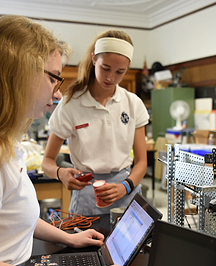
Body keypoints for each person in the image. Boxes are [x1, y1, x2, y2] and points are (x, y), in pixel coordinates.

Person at [0, 15, 131, 266]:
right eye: (53, 78)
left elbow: (12, 218)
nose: (57, 91)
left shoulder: (8, 145)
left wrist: (68, 237)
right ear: (19, 73)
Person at [42, 29, 149, 215]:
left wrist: (125, 186)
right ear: (93, 59)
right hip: (87, 193)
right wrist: (61, 173)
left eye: (120, 72)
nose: (111, 78)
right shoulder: (71, 104)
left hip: (126, 191)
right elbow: (47, 162)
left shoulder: (133, 104)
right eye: (105, 68)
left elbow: (141, 162)